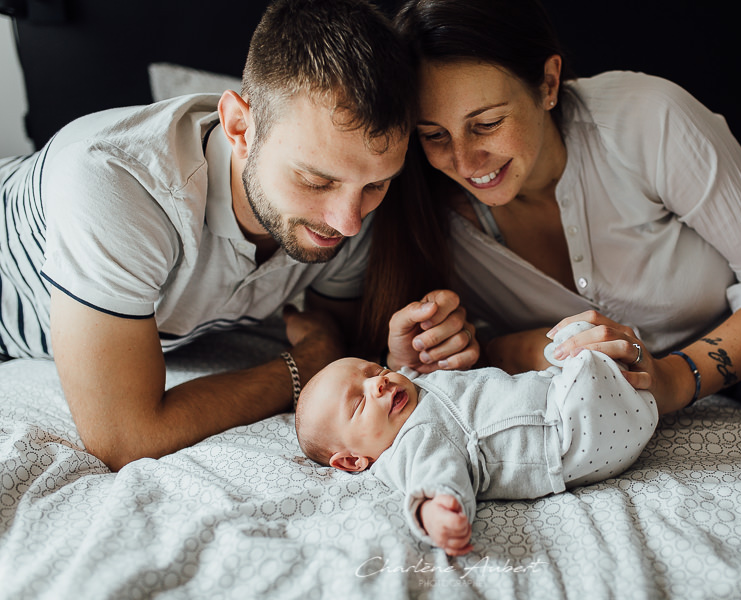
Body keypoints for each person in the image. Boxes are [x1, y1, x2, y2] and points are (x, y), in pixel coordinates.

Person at [391, 0, 741, 474]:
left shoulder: (641, 116)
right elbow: (479, 358)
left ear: (548, 83)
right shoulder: (432, 224)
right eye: (434, 135)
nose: (463, 161)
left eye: (486, 123)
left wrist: (675, 379)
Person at [0, 0, 478, 472]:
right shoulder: (116, 185)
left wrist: (399, 359)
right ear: (240, 128)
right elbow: (124, 438)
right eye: (315, 181)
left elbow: (337, 343)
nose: (348, 222)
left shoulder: (352, 206)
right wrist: (299, 366)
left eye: (376, 184)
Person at [294, 322, 658, 555]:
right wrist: (435, 509)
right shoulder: (414, 441)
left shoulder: (411, 388)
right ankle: (615, 380)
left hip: (559, 395)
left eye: (374, 371)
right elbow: (434, 475)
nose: (379, 383)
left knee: (578, 333)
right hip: (564, 437)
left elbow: (405, 367)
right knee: (584, 360)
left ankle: (613, 373)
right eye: (359, 403)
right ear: (353, 460)